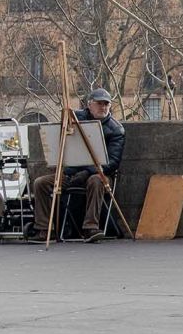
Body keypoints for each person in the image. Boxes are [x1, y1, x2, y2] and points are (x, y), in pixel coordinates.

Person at [30, 88, 125, 243]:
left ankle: (91, 227)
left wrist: (88, 171)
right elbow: (65, 144)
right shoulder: (77, 118)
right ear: (89, 105)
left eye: (106, 104)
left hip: (100, 173)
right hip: (73, 172)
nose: (103, 107)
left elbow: (113, 162)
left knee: (96, 180)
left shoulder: (116, 129)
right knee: (41, 183)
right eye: (99, 103)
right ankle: (44, 229)